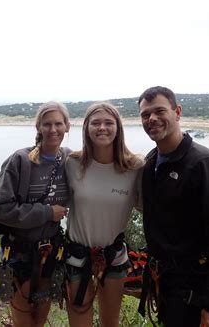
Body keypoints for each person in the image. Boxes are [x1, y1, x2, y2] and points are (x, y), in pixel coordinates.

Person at [137, 86, 209, 327]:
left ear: (177, 112)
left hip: (195, 292)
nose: (151, 119)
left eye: (159, 111)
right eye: (145, 115)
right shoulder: (152, 163)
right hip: (168, 286)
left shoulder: (204, 164)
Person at [0, 101, 71, 327]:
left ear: (67, 126)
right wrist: (47, 213)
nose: (53, 129)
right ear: (38, 128)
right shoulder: (20, 160)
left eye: (58, 124)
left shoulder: (70, 159)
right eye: (47, 124)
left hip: (51, 251)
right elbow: (0, 209)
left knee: (40, 315)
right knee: (23, 315)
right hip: (20, 251)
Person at [65, 102, 143, 327]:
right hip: (76, 257)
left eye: (109, 123)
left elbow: (153, 206)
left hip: (114, 257)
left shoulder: (135, 167)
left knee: (110, 323)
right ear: (86, 128)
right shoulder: (72, 163)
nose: (102, 128)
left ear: (118, 128)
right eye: (95, 123)